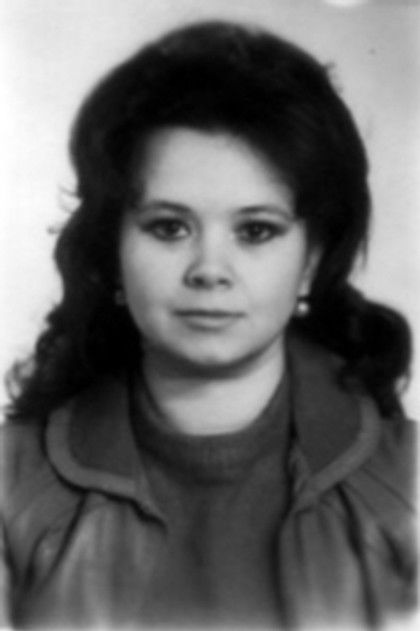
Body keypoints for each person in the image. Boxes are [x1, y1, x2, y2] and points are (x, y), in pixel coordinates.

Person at [1, 20, 416, 630]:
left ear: (312, 261)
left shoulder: (406, 488)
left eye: (256, 231)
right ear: (111, 251)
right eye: (169, 227)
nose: (209, 270)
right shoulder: (11, 490)